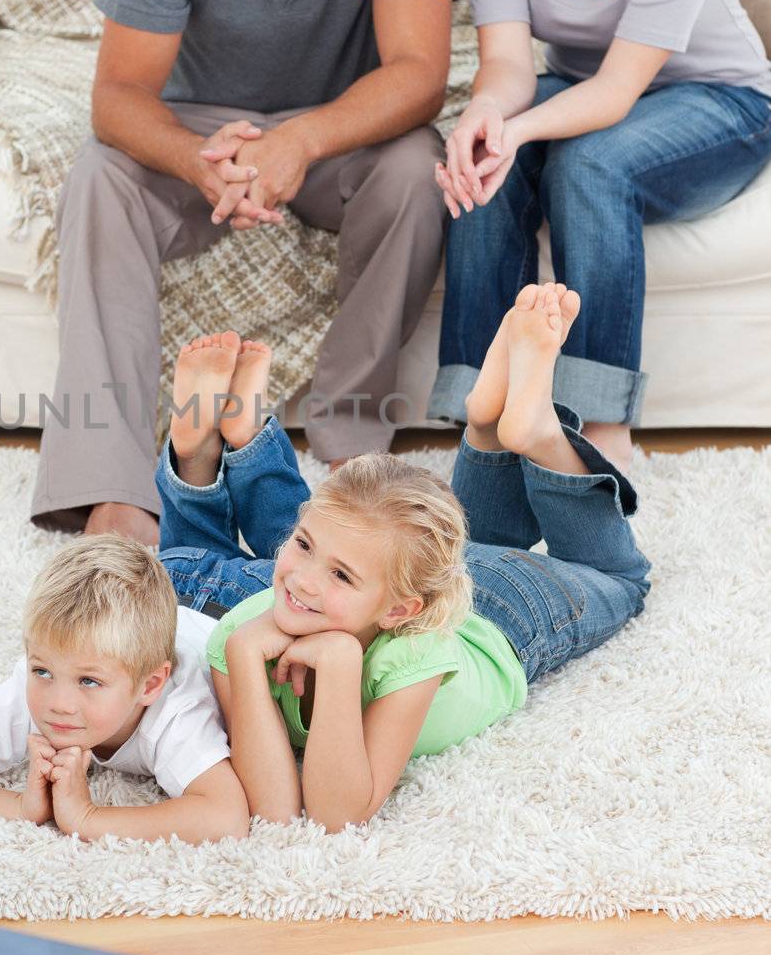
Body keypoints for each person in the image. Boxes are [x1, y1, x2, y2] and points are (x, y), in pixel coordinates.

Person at [30, 0, 458, 543]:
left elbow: (417, 76)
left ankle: (348, 448)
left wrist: (301, 140)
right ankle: (113, 487)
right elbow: (116, 96)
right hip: (203, 127)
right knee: (99, 173)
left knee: (416, 165)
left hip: (337, 128)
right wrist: (195, 160)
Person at [155, 286, 650, 830]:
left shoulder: (411, 656)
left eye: (337, 575)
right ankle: (487, 427)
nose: (301, 579)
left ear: (398, 613)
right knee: (339, 535)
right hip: (395, 575)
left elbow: (334, 816)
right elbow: (272, 809)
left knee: (620, 580)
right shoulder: (251, 629)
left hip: (506, 613)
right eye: (299, 545)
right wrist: (246, 655)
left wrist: (343, 663)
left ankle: (538, 436)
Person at [428, 0, 771, 472]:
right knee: (486, 166)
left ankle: (597, 427)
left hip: (721, 101)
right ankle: (481, 420)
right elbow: (511, 65)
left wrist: (519, 128)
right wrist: (487, 119)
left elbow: (617, 92)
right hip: (576, 90)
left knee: (590, 165)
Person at [0, 536, 249, 843]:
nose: (58, 704)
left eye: (89, 681)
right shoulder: (31, 690)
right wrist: (21, 807)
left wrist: (88, 818)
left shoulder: (176, 710)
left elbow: (227, 817)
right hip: (169, 577)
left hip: (237, 599)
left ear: (150, 685)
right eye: (43, 670)